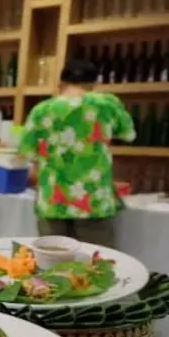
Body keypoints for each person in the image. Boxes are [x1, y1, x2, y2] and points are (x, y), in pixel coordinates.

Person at [18, 59, 136, 247]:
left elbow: (27, 150)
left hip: (53, 200)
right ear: (94, 83)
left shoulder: (41, 110)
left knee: (54, 261)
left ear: (61, 83)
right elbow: (129, 134)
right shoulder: (107, 104)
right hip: (93, 200)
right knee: (96, 260)